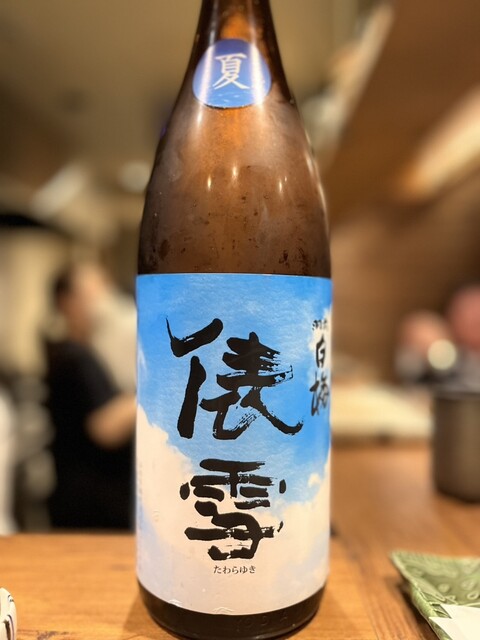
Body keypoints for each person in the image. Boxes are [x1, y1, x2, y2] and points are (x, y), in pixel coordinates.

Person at [45, 263, 136, 529]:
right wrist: (154, 388)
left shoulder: (89, 350)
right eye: (93, 292)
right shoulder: (72, 357)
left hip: (96, 499)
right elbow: (104, 427)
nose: (104, 301)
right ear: (67, 302)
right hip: (89, 503)